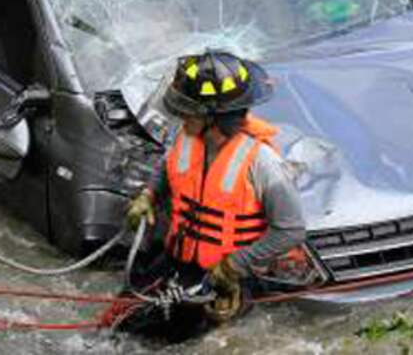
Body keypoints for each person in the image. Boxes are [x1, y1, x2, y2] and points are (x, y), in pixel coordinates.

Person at [124, 50, 306, 327]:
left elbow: (291, 229)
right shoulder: (188, 136)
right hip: (177, 261)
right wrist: (149, 195)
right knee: (123, 319)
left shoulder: (263, 163)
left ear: (214, 118)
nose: (181, 117)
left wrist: (234, 266)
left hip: (228, 277)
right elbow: (166, 165)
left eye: (189, 112)